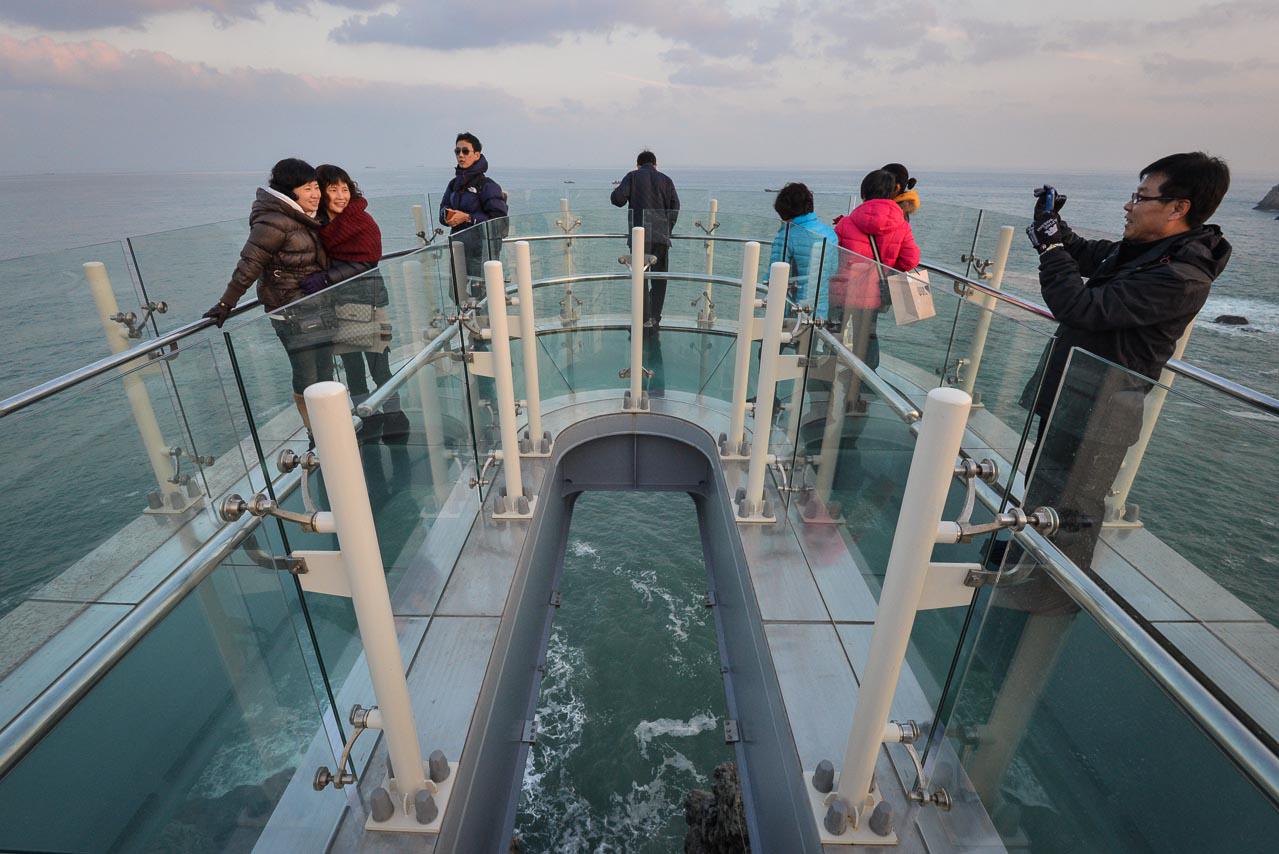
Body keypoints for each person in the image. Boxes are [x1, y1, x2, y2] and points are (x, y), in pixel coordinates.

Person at [1018, 151, 1232, 572]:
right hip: (1074, 391)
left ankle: (1052, 592)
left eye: (1140, 197)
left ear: (1177, 208)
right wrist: (1052, 226)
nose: (1128, 205)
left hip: (1104, 405)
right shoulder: (1145, 251)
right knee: (1043, 485)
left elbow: (1079, 307)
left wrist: (1051, 247)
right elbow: (1082, 253)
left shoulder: (1178, 275)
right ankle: (1026, 559)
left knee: (1075, 505)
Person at [204, 157, 331, 438]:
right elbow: (250, 263)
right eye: (308, 188)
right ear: (290, 191)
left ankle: (331, 426)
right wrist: (227, 303)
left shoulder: (302, 217)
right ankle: (316, 432)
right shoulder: (274, 221)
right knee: (307, 373)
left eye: (316, 187)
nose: (316, 194)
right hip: (291, 312)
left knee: (324, 369)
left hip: (314, 306)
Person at [316, 164, 410, 444]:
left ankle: (395, 417)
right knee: (353, 372)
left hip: (369, 305)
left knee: (381, 367)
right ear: (321, 193)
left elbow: (369, 258)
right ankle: (367, 419)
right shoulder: (317, 227)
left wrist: (326, 277)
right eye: (333, 189)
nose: (341, 195)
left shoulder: (361, 221)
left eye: (345, 188)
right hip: (338, 309)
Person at [831, 169, 921, 369]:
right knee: (868, 337)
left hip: (843, 291)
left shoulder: (846, 223)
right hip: (872, 295)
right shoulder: (902, 226)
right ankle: (864, 383)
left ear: (864, 193)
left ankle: (827, 376)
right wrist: (885, 267)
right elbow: (910, 261)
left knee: (833, 334)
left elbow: (831, 258)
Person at [611, 150, 680, 333]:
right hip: (661, 237)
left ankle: (641, 321)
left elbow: (617, 200)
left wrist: (618, 189)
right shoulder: (666, 180)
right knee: (659, 280)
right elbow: (675, 208)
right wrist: (667, 230)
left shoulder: (633, 177)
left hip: (639, 237)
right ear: (656, 165)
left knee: (640, 279)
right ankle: (654, 320)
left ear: (638, 165)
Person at [439, 132, 508, 294]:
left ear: (476, 155)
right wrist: (447, 216)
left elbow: (500, 221)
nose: (460, 155)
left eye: (465, 151)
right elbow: (441, 212)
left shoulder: (487, 185)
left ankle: (484, 320)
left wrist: (468, 218)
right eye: (457, 151)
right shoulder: (453, 184)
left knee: (482, 296)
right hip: (458, 249)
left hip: (481, 251)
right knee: (455, 294)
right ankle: (467, 320)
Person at [769, 182, 836, 323]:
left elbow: (775, 274)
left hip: (792, 308)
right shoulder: (829, 233)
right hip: (819, 309)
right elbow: (832, 271)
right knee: (809, 343)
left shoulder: (787, 234)